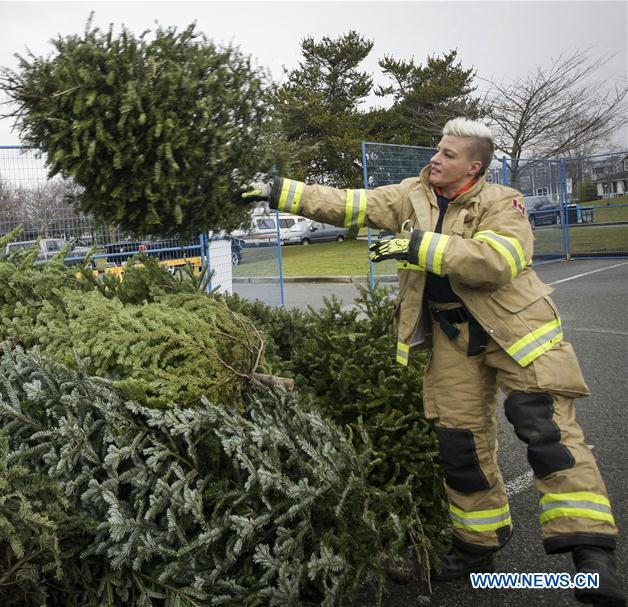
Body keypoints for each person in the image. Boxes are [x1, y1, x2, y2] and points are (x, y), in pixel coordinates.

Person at [239, 117, 624, 606]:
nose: (435, 159)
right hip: (451, 336)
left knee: (546, 434)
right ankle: (477, 543)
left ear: (474, 165)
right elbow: (348, 203)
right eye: (437, 150)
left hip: (517, 333)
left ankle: (592, 557)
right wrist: (276, 190)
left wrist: (418, 245)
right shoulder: (410, 194)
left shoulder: (502, 202)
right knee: (460, 442)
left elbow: (497, 262)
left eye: (448, 154)